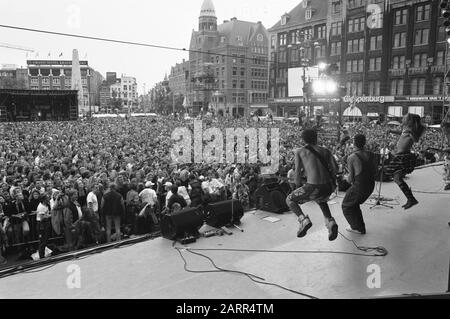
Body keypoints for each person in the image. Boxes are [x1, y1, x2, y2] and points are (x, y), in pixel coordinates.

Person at [285, 129, 339, 241]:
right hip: (328, 187)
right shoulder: (326, 150)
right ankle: (330, 221)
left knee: (290, 199)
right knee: (321, 199)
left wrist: (297, 187)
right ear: (316, 138)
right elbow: (336, 169)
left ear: (303, 139)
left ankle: (303, 220)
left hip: (313, 187)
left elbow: (298, 175)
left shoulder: (299, 151)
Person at [387, 114, 426, 209]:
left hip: (404, 156)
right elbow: (401, 133)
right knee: (397, 178)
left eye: (405, 118)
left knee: (395, 176)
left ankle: (411, 199)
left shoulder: (411, 130)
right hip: (400, 155)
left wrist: (411, 132)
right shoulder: (406, 128)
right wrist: (391, 131)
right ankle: (411, 199)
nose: (402, 119)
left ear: (410, 121)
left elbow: (416, 140)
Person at [342, 134, 377, 235]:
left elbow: (350, 179)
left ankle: (356, 228)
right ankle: (360, 227)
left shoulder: (352, 157)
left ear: (354, 143)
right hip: (371, 185)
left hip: (360, 186)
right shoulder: (372, 154)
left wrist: (345, 178)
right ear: (365, 142)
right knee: (354, 204)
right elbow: (374, 171)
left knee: (346, 205)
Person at [36, 194, 52, 259]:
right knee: (42, 241)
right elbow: (42, 218)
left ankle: (43, 254)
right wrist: (50, 215)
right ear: (44, 199)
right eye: (47, 198)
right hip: (41, 225)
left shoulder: (46, 205)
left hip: (46, 224)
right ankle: (41, 257)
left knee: (45, 240)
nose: (49, 199)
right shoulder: (40, 207)